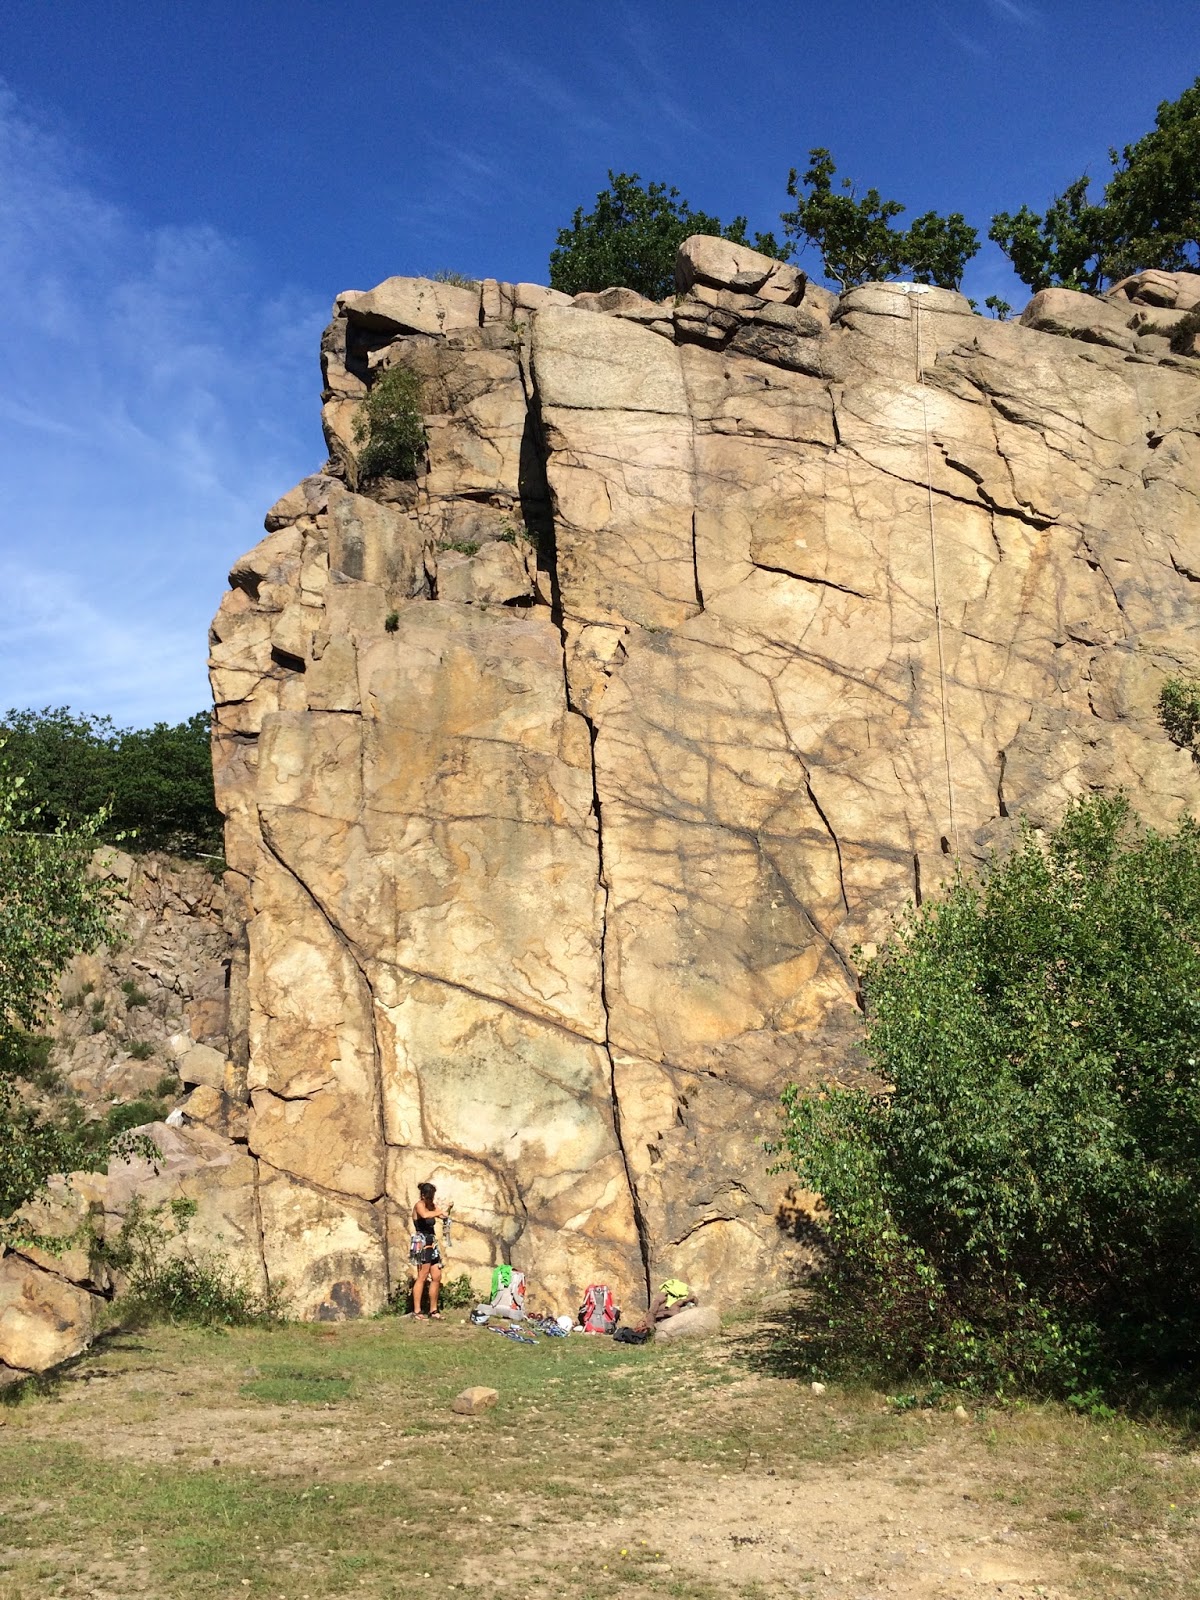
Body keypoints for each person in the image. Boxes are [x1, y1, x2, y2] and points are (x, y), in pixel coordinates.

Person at [411, 1181, 452, 1319]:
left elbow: (441, 1215)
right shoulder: (419, 1205)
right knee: (422, 1276)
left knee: (436, 1276)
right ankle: (417, 1311)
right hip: (422, 1242)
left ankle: (433, 1310)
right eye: (429, 1197)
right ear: (423, 1195)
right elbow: (425, 1215)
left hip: (431, 1242)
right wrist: (439, 1211)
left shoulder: (431, 1205)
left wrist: (447, 1210)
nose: (431, 1199)